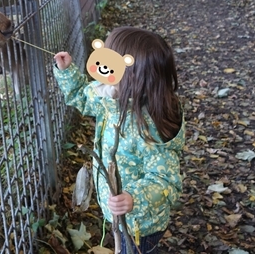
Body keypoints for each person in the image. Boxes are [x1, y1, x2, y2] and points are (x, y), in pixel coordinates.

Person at [53, 26, 185, 253]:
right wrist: (67, 71)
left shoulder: (149, 128)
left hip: (140, 225)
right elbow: (82, 97)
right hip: (119, 213)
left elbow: (167, 180)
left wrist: (135, 198)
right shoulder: (111, 96)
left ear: (135, 78)